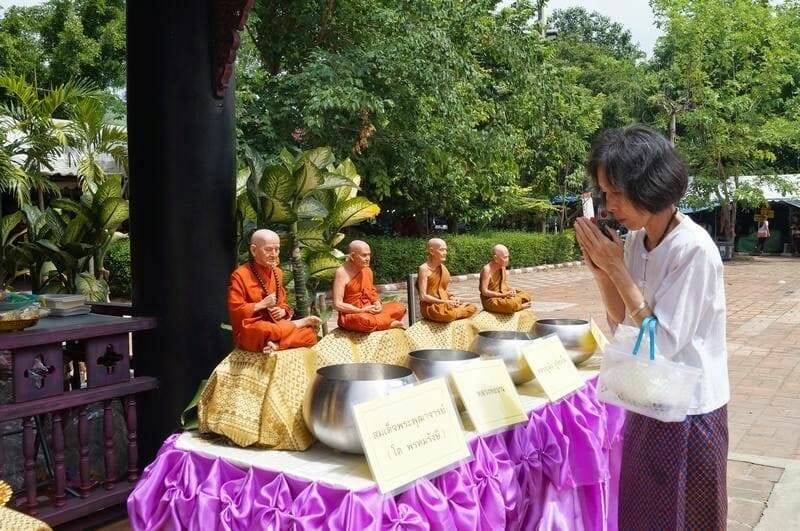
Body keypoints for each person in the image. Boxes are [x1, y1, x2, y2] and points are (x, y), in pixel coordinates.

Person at [574, 124, 729, 530]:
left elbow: (661, 342)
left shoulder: (692, 249)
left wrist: (616, 270)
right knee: (643, 513)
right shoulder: (635, 241)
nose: (609, 205)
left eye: (617, 193)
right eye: (606, 193)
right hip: (646, 397)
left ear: (651, 185)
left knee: (687, 517)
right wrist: (602, 272)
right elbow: (622, 321)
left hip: (692, 409)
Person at [227, 229, 320, 353]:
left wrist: (282, 311)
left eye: (277, 249)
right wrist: (260, 305)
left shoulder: (277, 273)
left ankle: (276, 345)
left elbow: (282, 304)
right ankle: (296, 324)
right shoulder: (240, 275)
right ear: (254, 250)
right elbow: (235, 309)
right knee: (263, 329)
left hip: (276, 324)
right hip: (253, 328)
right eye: (269, 250)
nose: (274, 254)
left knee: (310, 334)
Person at [332, 240, 406, 332]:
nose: (368, 258)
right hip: (353, 313)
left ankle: (383, 323)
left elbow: (371, 292)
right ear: (352, 256)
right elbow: (337, 304)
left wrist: (377, 303)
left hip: (370, 310)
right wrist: (360, 310)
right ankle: (388, 323)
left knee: (399, 308)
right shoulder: (342, 272)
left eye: (369, 255)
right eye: (364, 255)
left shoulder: (367, 270)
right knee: (365, 321)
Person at [418, 238, 477, 322]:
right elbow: (423, 296)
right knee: (449, 315)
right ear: (431, 251)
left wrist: (452, 298)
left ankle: (457, 310)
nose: (445, 253)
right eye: (442, 250)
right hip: (431, 307)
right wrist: (444, 301)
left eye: (446, 250)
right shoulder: (424, 269)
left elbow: (442, 289)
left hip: (445, 303)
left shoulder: (442, 267)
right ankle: (459, 310)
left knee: (472, 307)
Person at [479, 244, 532, 313]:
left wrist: (510, 290)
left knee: (526, 295)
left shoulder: (502, 266)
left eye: (508, 257)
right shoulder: (487, 270)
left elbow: (503, 285)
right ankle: (519, 306)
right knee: (509, 304)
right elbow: (484, 292)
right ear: (495, 258)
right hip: (491, 300)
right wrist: (503, 295)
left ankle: (515, 305)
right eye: (505, 257)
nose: (507, 260)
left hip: (503, 295)